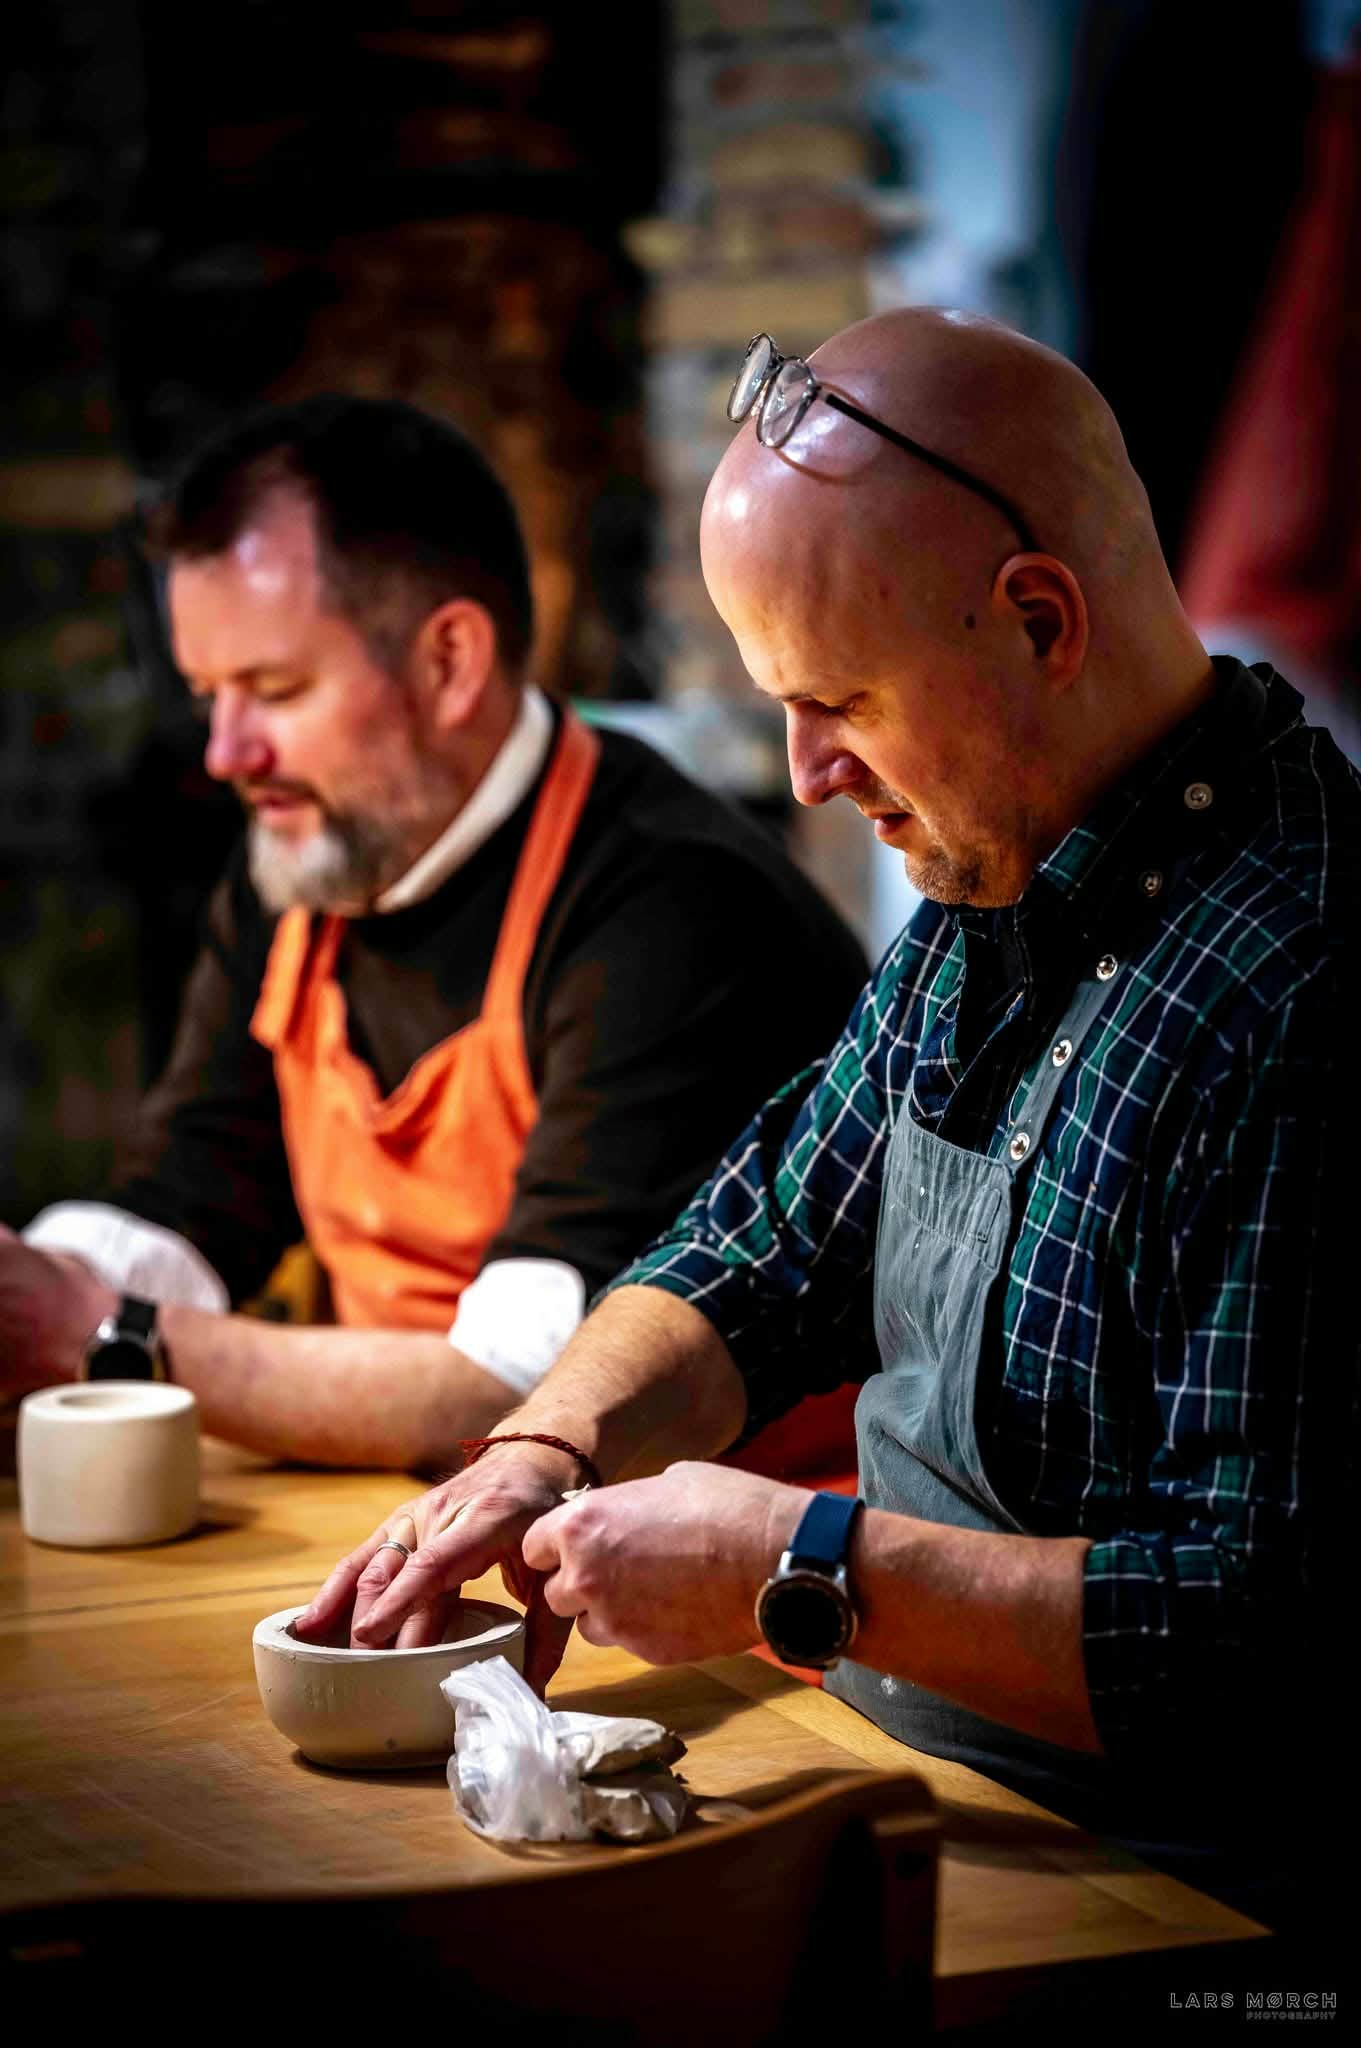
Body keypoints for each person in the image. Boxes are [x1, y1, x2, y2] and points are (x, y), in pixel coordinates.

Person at [299, 311, 1360, 1931]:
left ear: (1037, 619)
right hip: (918, 1791)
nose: (802, 774)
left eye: (839, 698)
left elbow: (1250, 1638)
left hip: (1172, 1911)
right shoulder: (990, 874)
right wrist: (541, 1446)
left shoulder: (1300, 983)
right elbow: (770, 1236)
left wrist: (803, 1564)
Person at [0, 395, 868, 1472]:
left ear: (450, 660)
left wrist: (101, 1334)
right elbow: (191, 1197)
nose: (226, 751)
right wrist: (34, 1282)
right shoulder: (300, 861)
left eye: (273, 689)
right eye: (207, 693)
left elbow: (534, 1383)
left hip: (729, 1565)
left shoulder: (672, 901)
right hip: (420, 1511)